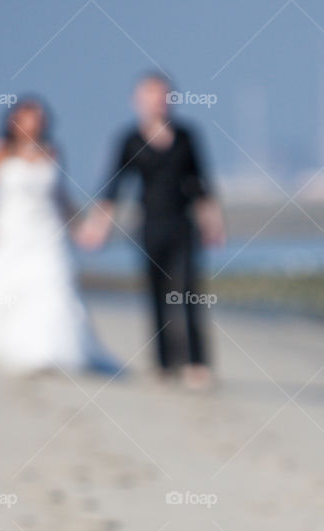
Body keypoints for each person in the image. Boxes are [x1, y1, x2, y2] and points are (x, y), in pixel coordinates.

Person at [0, 97, 114, 374]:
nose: (33, 124)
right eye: (27, 117)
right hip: (11, 232)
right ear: (13, 121)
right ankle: (9, 347)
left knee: (52, 288)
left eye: (38, 118)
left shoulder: (52, 152)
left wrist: (81, 228)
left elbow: (61, 197)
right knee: (2, 288)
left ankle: (48, 350)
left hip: (48, 235)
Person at [79, 71, 225, 390]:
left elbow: (201, 184)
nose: (159, 101)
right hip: (149, 226)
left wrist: (213, 221)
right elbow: (113, 187)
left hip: (183, 225)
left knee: (188, 291)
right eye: (152, 95)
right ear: (138, 101)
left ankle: (197, 363)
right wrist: (97, 228)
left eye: (164, 95)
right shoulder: (129, 139)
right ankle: (163, 364)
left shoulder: (187, 136)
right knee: (156, 294)